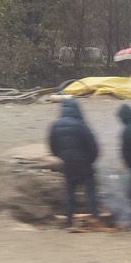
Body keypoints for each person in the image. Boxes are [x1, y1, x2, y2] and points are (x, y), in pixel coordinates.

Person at [47, 96, 100, 229]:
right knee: (91, 191)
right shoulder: (81, 125)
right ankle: (95, 217)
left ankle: (69, 221)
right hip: (85, 163)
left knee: (70, 193)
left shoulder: (55, 125)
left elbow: (53, 147)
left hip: (68, 165)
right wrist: (90, 160)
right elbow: (93, 146)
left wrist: (63, 157)